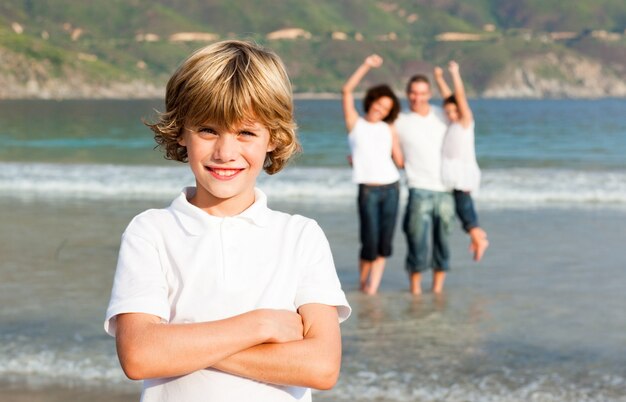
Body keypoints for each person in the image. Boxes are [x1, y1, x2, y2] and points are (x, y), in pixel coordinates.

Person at [104, 40, 351, 402]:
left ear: (273, 138)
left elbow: (321, 367)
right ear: (181, 133)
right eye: (208, 130)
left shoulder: (301, 236)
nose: (225, 152)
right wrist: (261, 324)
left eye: (246, 133)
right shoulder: (151, 231)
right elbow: (140, 356)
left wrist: (183, 346)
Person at [395, 71, 487, 295]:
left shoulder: (444, 114)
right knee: (416, 241)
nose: (417, 98)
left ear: (429, 94)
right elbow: (386, 145)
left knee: (442, 243)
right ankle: (415, 290)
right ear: (407, 94)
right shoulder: (399, 120)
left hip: (446, 189)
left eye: (422, 93)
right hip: (418, 188)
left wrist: (447, 76)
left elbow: (457, 102)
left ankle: (437, 290)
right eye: (413, 93)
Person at [341, 54, 403, 295]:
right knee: (369, 241)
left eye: (386, 108)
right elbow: (347, 90)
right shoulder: (355, 123)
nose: (381, 109)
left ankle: (372, 288)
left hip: (391, 188)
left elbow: (399, 160)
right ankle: (362, 282)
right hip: (367, 189)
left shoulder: (390, 127)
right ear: (372, 100)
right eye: (379, 103)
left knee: (384, 243)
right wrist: (366, 65)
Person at [434, 61, 489, 260]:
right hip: (453, 173)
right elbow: (448, 97)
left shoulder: (465, 122)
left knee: (464, 205)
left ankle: (477, 235)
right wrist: (439, 79)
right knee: (462, 206)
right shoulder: (452, 124)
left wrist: (454, 73)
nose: (450, 115)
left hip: (463, 172)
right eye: (447, 112)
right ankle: (476, 234)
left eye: (454, 111)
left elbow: (459, 96)